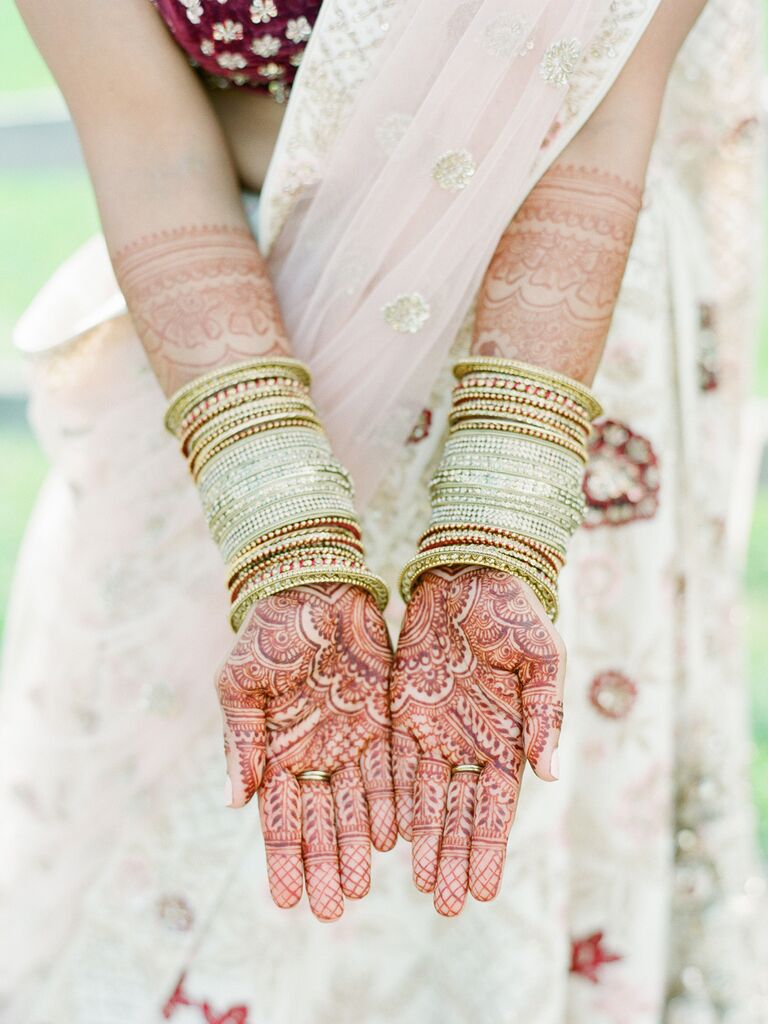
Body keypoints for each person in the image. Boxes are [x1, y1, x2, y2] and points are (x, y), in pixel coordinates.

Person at [1, 0, 766, 1020]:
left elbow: (604, 101)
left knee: (520, 865)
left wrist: (496, 530)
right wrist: (287, 545)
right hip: (236, 347)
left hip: (561, 350)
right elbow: (150, 147)